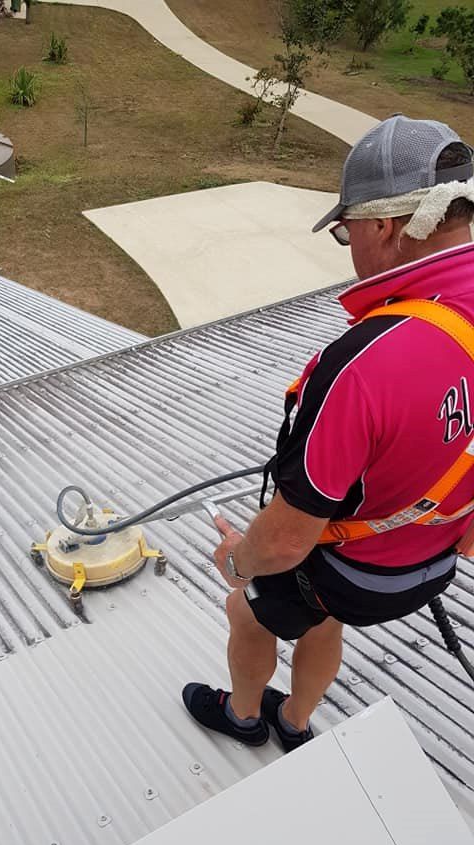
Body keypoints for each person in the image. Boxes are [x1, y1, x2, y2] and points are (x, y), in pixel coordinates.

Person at [183, 115, 474, 752]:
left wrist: (237, 561)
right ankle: (295, 722)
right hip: (432, 564)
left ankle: (244, 716)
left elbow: (287, 542)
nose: (349, 248)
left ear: (386, 228)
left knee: (249, 607)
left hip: (352, 570)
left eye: (347, 231)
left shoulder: (366, 365)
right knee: (323, 616)